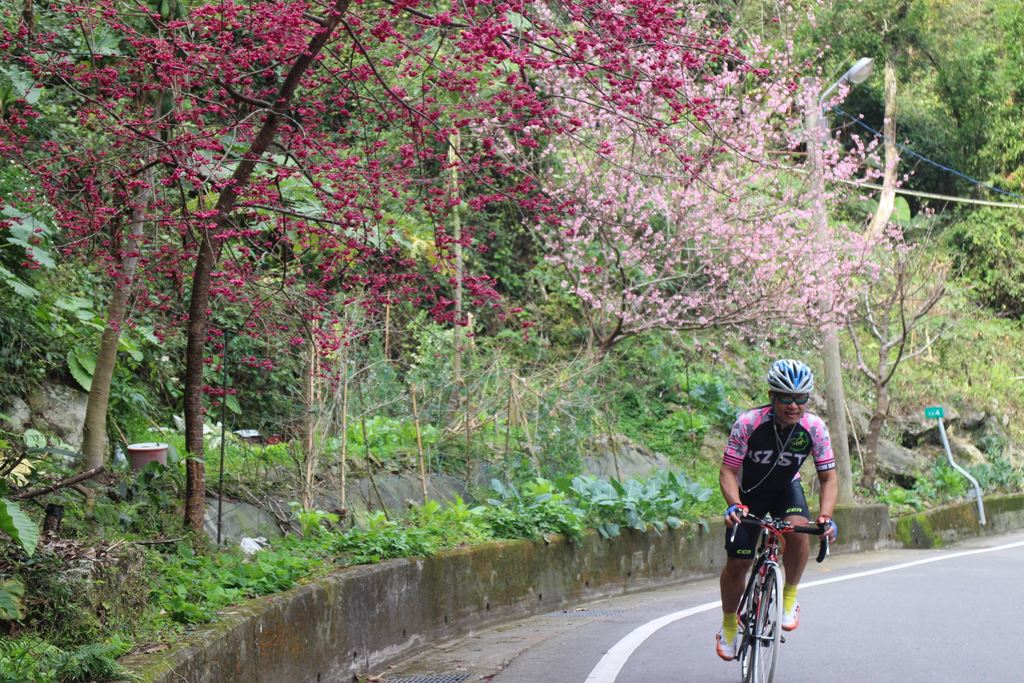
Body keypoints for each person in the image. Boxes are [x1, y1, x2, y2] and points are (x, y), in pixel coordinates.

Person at [715, 358, 839, 661]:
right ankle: (730, 625)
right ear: (772, 396)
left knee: (799, 532)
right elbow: (728, 471)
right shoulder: (748, 423)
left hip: (786, 489)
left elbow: (829, 477)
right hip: (748, 495)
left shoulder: (814, 428)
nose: (793, 405)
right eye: (786, 397)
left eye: (800, 399)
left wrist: (825, 517)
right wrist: (734, 504)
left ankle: (789, 597)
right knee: (738, 564)